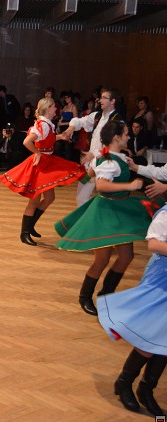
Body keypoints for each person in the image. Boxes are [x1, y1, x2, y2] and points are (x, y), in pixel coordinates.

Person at [55, 121, 150, 316]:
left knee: (126, 256)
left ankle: (106, 293)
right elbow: (101, 185)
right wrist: (129, 186)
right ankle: (85, 296)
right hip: (105, 212)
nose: (129, 137)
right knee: (102, 259)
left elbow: (91, 173)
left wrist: (96, 160)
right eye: (126, 134)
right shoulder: (109, 161)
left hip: (118, 209)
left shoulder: (110, 157)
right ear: (116, 138)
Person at [97, 206, 167, 416]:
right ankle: (124, 382)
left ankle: (146, 389)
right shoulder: (166, 213)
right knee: (150, 337)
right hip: (161, 282)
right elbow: (153, 244)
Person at [0, 97, 85, 246]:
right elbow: (27, 142)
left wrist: (60, 137)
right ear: (47, 109)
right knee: (34, 200)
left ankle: (30, 225)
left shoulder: (46, 124)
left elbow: (47, 139)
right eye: (53, 106)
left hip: (47, 162)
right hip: (40, 164)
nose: (56, 108)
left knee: (50, 197)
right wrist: (38, 153)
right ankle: (24, 233)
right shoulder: (43, 125)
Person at [59, 88, 122, 206]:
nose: (100, 100)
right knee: (81, 197)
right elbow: (80, 121)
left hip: (106, 164)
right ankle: (88, 217)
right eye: (100, 97)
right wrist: (70, 129)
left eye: (104, 98)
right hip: (91, 162)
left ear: (113, 101)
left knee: (106, 199)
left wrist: (95, 154)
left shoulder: (117, 121)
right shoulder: (97, 116)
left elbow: (114, 147)